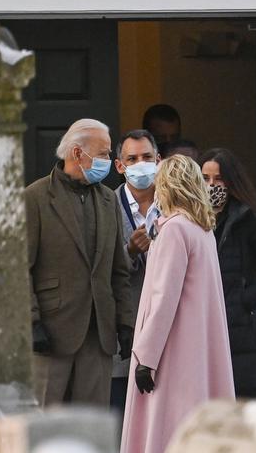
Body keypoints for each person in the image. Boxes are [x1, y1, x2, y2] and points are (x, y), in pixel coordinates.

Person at [120, 155, 235, 453]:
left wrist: (147, 357)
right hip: (198, 347)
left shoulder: (173, 229)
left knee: (167, 428)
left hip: (172, 350)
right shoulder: (202, 229)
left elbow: (163, 297)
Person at [25, 119, 137, 407]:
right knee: (46, 423)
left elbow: (118, 270)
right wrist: (32, 321)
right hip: (51, 332)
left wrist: (125, 322)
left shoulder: (108, 200)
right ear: (77, 153)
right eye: (103, 154)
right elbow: (18, 271)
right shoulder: (35, 197)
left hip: (98, 333)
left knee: (91, 424)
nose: (109, 162)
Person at [198, 148, 256, 397]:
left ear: (231, 182)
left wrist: (243, 300)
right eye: (205, 179)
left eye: (218, 179)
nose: (211, 185)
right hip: (204, 327)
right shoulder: (194, 221)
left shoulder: (250, 221)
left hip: (241, 332)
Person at [109, 130, 161, 415]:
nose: (140, 164)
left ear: (159, 160)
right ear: (119, 165)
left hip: (165, 331)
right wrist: (128, 253)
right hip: (123, 335)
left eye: (146, 157)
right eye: (132, 158)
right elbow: (95, 267)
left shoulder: (173, 206)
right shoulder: (106, 205)